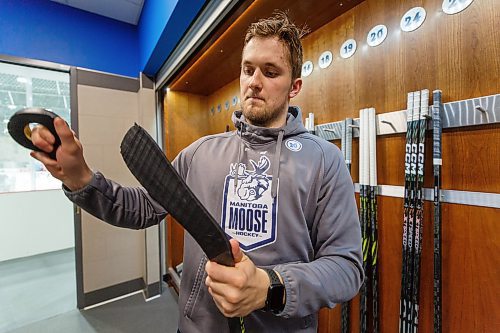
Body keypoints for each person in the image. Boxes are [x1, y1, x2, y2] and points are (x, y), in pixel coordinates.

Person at [31, 11, 363, 333]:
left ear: (294, 86)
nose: (254, 82)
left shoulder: (324, 161)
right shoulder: (201, 153)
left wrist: (270, 287)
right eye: (248, 70)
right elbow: (145, 207)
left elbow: (346, 268)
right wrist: (80, 179)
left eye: (270, 72)